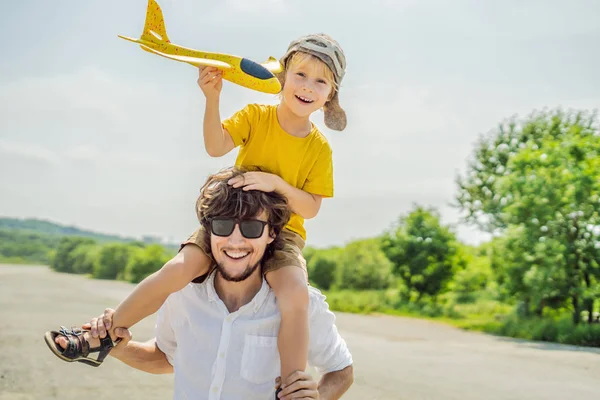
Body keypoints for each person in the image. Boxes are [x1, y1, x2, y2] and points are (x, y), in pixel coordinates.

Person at [46, 32, 347, 383]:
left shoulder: (319, 149)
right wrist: (212, 98)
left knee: (294, 292)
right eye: (300, 75)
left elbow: (310, 208)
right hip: (231, 221)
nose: (308, 86)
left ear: (330, 95)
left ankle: (293, 384)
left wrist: (277, 185)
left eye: (320, 81)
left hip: (283, 232)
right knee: (179, 268)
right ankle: (103, 335)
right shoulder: (255, 116)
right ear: (282, 78)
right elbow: (216, 146)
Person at [49, 168, 354, 399]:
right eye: (223, 226)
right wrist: (116, 345)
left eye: (251, 227)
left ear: (272, 234)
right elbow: (166, 358)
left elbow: (341, 370)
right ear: (208, 233)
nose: (236, 241)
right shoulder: (180, 295)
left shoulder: (301, 304)